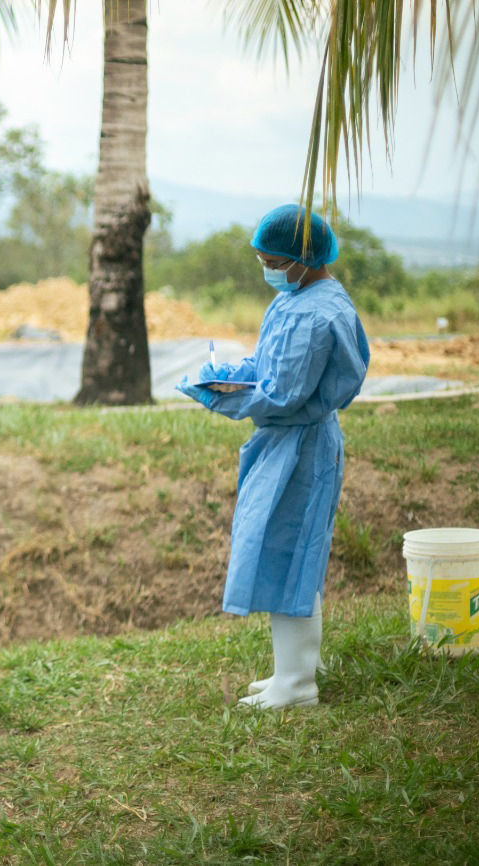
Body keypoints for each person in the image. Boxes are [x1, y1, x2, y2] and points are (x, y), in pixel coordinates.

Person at [176, 204, 370, 709]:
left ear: (298, 259)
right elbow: (270, 365)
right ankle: (294, 670)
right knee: (288, 553)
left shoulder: (315, 314)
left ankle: (298, 684)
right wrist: (233, 370)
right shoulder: (302, 295)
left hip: (299, 445)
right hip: (287, 442)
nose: (267, 269)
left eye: (271, 260)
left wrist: (218, 393)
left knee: (291, 558)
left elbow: (282, 395)